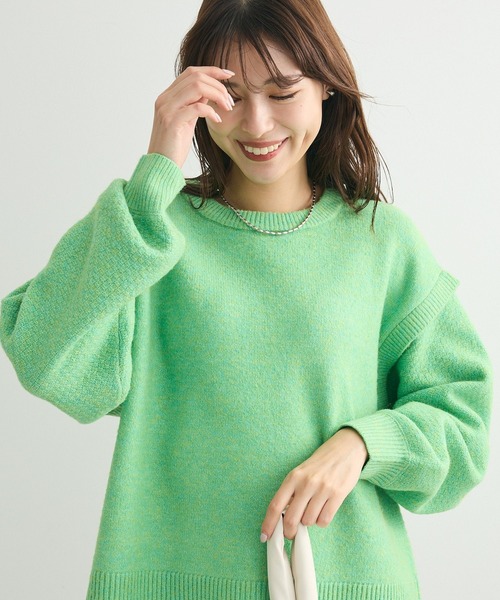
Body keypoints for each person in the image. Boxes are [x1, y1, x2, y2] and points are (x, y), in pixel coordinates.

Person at [0, 0, 493, 599]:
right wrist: (156, 169)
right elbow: (41, 350)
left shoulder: (381, 242)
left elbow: (464, 424)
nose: (256, 123)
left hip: (351, 581)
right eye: (230, 96)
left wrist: (364, 444)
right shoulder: (150, 233)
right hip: (170, 582)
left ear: (326, 87)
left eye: (283, 91)